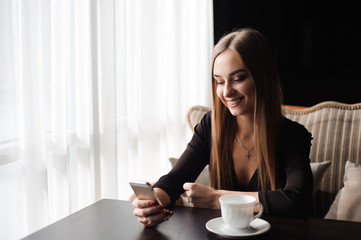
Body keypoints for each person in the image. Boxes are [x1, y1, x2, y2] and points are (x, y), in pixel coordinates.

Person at [132, 28, 313, 227]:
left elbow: (296, 201)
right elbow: (174, 180)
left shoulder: (292, 136)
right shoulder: (211, 125)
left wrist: (217, 198)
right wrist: (152, 203)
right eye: (219, 81)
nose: (227, 92)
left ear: (263, 77)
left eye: (238, 79)